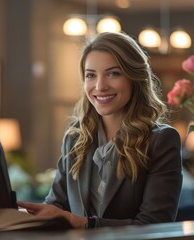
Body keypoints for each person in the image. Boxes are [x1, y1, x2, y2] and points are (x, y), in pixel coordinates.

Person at [17, 32, 183, 229]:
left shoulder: (161, 140)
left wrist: (81, 223)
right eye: (90, 75)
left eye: (113, 73)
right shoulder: (75, 137)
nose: (100, 86)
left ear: (134, 78)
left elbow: (155, 224)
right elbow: (57, 205)